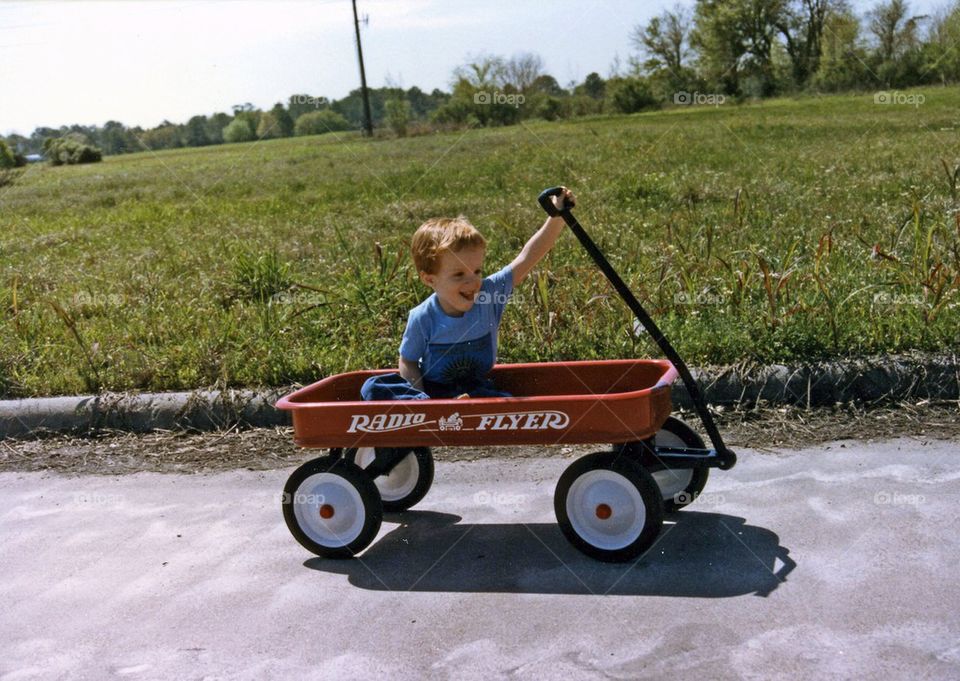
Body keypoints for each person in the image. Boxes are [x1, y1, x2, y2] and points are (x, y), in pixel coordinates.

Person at [360, 187, 576, 401]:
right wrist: (421, 401)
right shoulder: (423, 317)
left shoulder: (488, 295)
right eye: (459, 274)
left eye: (477, 271)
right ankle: (444, 408)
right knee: (374, 386)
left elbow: (527, 257)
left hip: (476, 388)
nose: (472, 282)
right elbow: (408, 361)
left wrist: (557, 216)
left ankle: (470, 407)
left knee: (499, 399)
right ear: (430, 279)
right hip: (433, 392)